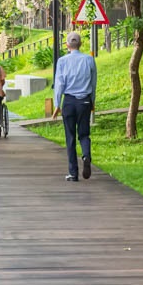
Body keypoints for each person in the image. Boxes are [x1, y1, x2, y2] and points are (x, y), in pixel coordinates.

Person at [53, 31, 97, 181]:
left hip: (69, 102)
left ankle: (73, 173)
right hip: (84, 101)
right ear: (80, 44)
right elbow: (93, 83)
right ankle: (86, 156)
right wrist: (92, 102)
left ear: (67, 45)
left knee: (70, 137)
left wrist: (57, 104)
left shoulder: (62, 61)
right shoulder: (89, 60)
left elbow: (59, 84)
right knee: (84, 134)